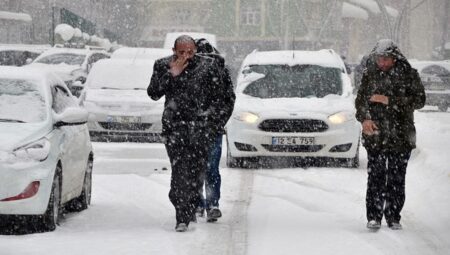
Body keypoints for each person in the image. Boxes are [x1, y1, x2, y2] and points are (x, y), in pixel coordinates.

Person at [148, 35, 231, 232]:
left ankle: (191, 202)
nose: (186, 56)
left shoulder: (208, 67)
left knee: (197, 174)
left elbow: (223, 98)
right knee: (179, 172)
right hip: (175, 129)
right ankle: (182, 216)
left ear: (195, 51)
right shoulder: (163, 66)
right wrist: (171, 74)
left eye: (190, 52)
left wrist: (212, 122)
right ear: (174, 50)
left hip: (201, 131)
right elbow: (153, 92)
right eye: (182, 52)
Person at [355, 39, 425, 230]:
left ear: (395, 58)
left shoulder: (409, 75)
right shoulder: (370, 75)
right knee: (376, 177)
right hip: (376, 134)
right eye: (379, 59)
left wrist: (390, 100)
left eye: (386, 59)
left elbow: (420, 100)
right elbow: (360, 101)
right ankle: (374, 216)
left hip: (401, 135)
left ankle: (393, 216)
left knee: (396, 178)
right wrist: (364, 119)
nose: (382, 63)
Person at [194, 38, 235, 222]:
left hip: (208, 128)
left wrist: (217, 120)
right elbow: (229, 100)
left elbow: (228, 100)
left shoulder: (219, 72)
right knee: (205, 167)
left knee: (203, 167)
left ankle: (207, 204)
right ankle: (205, 204)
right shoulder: (217, 71)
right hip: (204, 128)